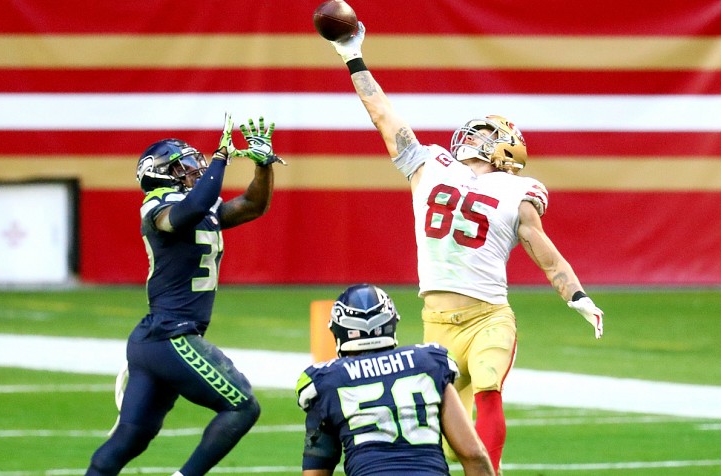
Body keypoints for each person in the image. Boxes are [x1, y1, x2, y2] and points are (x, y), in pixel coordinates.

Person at [322, 23, 605, 475]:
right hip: (437, 322)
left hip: (490, 315)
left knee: (490, 388)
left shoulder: (517, 190)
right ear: (499, 144)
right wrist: (351, 54)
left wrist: (577, 295)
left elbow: (540, 246)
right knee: (451, 442)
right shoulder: (430, 163)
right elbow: (380, 111)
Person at [86, 114, 285, 476]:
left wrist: (263, 166)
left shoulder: (199, 205)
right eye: (185, 164)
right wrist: (222, 158)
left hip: (157, 338)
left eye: (197, 161)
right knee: (242, 406)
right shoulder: (157, 204)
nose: (196, 168)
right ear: (160, 174)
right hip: (171, 334)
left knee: (130, 440)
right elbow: (190, 210)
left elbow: (253, 205)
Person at [296, 283, 495, 476]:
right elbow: (474, 454)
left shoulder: (326, 381)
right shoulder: (429, 363)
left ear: (339, 331)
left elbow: (317, 470)